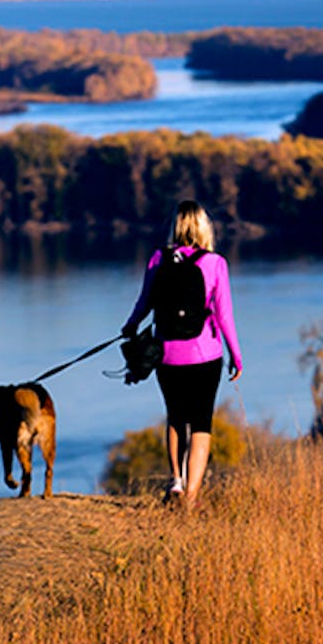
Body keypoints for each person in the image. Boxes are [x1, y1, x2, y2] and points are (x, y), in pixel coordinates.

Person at [122, 200, 242, 508]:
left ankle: (176, 481)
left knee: (176, 417)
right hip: (204, 355)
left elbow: (144, 302)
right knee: (201, 423)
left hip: (167, 354)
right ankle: (191, 497)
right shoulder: (214, 263)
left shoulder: (158, 258)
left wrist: (130, 327)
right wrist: (236, 356)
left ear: (176, 226)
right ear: (204, 227)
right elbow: (224, 315)